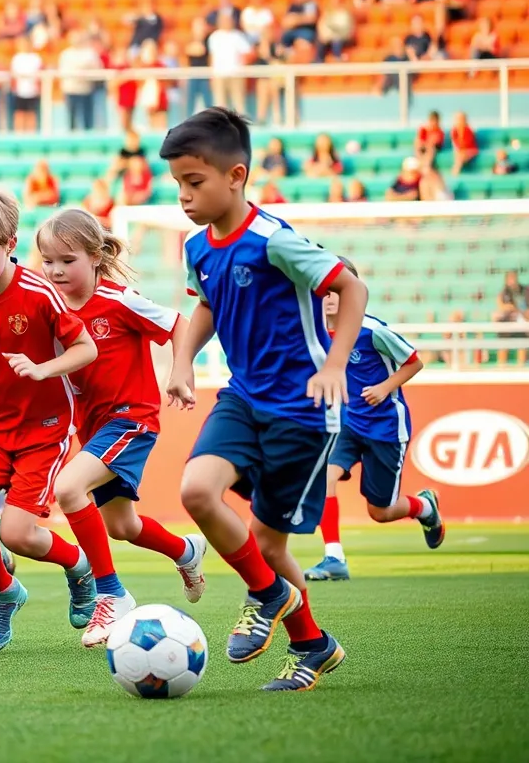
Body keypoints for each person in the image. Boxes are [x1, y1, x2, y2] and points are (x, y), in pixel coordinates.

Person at [161, 107, 368, 691]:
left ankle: (310, 645)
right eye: (177, 183)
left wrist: (333, 364)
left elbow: (351, 286)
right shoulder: (199, 248)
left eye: (194, 182)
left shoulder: (274, 241)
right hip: (244, 397)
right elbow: (205, 305)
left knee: (268, 543)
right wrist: (182, 361)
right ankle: (269, 596)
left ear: (236, 176)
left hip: (302, 411)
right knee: (196, 490)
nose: (183, 195)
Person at [36, 208, 208, 647]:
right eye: (47, 260)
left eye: (67, 260)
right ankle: (186, 552)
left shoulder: (118, 301)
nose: (55, 270)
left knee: (69, 488)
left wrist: (180, 372)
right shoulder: (48, 309)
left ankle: (110, 594)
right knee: (122, 527)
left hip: (131, 419)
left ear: (95, 257)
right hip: (91, 429)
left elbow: (179, 323)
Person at [0, 186, 99, 653]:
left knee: (16, 532)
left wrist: (42, 370)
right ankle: (6, 593)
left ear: (10, 244)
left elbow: (85, 347)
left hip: (44, 429)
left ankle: (79, 565)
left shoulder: (39, 293)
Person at [305, 259, 442, 582]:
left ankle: (424, 508)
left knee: (380, 512)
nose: (330, 295)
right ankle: (334, 558)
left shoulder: (372, 330)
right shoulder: (316, 333)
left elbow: (414, 362)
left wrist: (384, 388)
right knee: (325, 475)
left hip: (385, 428)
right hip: (348, 424)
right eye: (324, 289)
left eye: (338, 289)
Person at [207, 11, 252, 115]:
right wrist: (211, 75)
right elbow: (212, 57)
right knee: (220, 105)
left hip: (236, 74)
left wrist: (242, 69)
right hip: (219, 74)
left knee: (239, 104)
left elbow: (246, 53)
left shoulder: (238, 35)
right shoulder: (214, 37)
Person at [9, 36, 42, 134]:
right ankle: (19, 133)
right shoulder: (16, 58)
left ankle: (31, 133)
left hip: (32, 91)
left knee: (31, 113)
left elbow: (39, 74)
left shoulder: (36, 58)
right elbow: (13, 74)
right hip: (20, 91)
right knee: (20, 113)